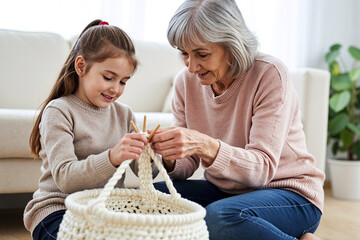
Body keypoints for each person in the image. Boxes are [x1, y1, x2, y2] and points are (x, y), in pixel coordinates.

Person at [150, 1, 325, 239]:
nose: (191, 67)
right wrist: (168, 154)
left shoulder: (269, 74)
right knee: (148, 196)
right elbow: (188, 164)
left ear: (231, 45)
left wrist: (203, 144)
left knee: (220, 218)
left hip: (290, 195)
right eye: (184, 54)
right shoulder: (185, 82)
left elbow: (261, 169)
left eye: (201, 54)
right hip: (226, 193)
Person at [23, 20, 158, 240]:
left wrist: (150, 153)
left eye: (124, 81)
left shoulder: (124, 114)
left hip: (106, 212)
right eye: (108, 78)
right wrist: (113, 157)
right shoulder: (59, 111)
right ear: (81, 66)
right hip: (58, 210)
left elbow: (145, 173)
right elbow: (65, 178)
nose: (115, 89)